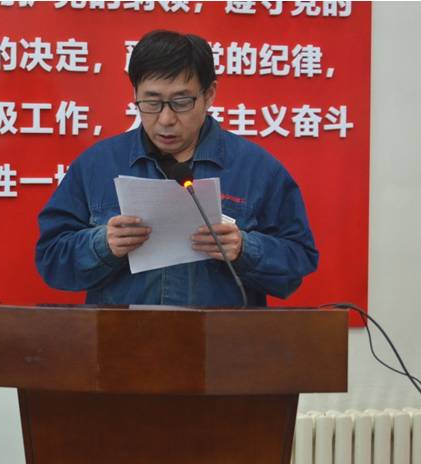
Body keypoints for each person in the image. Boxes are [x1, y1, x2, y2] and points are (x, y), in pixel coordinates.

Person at [35, 30, 318, 306]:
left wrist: (245, 249)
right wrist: (102, 244)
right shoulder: (97, 165)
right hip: (123, 336)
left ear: (209, 94)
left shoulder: (257, 169)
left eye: (181, 102)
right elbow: (51, 258)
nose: (166, 119)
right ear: (135, 94)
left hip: (221, 336)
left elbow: (299, 261)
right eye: (151, 102)